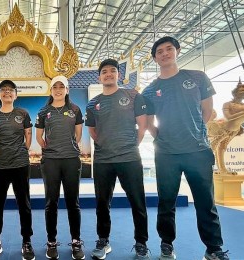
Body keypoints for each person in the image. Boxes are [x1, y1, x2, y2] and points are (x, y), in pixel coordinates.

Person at [142, 36, 229, 260]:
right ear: (155, 58)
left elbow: (207, 112)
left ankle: (214, 248)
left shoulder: (197, 78)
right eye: (159, 52)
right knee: (166, 202)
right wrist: (163, 137)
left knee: (205, 202)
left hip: (197, 151)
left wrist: (194, 132)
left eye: (168, 49)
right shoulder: (151, 90)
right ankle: (166, 244)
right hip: (166, 154)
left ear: (177, 51)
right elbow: (150, 123)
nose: (164, 54)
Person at [85, 59, 149, 259]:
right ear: (99, 77)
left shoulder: (132, 95)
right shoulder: (93, 103)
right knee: (102, 203)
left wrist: (130, 145)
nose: (109, 74)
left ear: (119, 75)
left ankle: (141, 243)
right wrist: (106, 144)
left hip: (129, 158)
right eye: (104, 71)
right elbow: (93, 132)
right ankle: (103, 241)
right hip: (103, 160)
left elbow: (142, 126)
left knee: (137, 202)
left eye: (113, 71)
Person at [35, 75, 85, 260]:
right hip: (51, 162)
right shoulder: (43, 111)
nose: (58, 90)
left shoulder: (75, 110)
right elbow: (39, 137)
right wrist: (51, 149)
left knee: (73, 203)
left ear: (67, 89)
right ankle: (51, 242)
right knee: (51, 203)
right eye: (54, 87)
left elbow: (78, 135)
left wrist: (68, 148)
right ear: (50, 90)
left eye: (61, 86)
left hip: (71, 160)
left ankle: (76, 242)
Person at [0, 79, 35, 260]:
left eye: (10, 90)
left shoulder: (23, 113)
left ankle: (27, 241)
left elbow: (28, 133)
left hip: (20, 165)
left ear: (16, 94)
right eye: (3, 90)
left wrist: (25, 148)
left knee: (24, 204)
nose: (7, 92)